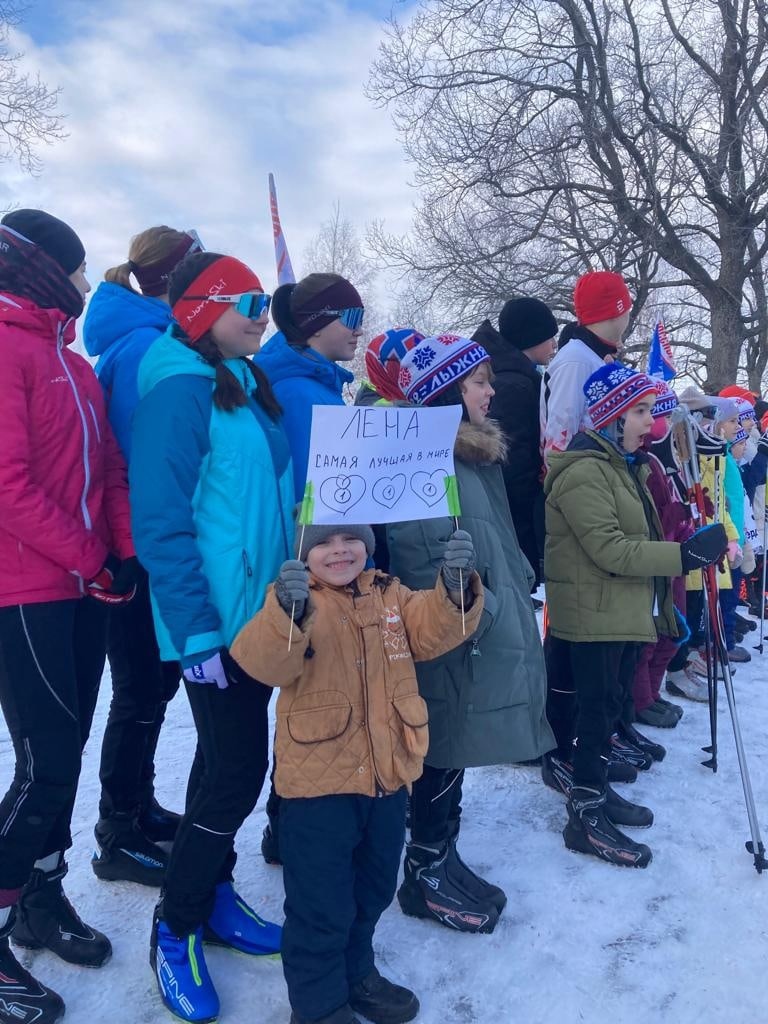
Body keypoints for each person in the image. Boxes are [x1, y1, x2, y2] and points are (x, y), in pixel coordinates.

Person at [129, 251, 294, 1023]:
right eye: (249, 302)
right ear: (202, 309)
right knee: (236, 772)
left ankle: (216, 894)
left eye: (264, 301)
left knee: (222, 766)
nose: (263, 315)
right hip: (217, 624)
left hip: (260, 618)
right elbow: (161, 525)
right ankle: (176, 924)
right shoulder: (178, 391)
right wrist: (195, 633)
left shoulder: (239, 382)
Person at [230, 524, 483, 1024]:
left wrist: (454, 588)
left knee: (373, 889)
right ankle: (318, 1007)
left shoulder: (391, 594)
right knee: (320, 904)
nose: (338, 551)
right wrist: (287, 611)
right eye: (323, 542)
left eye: (350, 539)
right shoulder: (294, 600)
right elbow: (264, 664)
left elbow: (434, 628)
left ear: (367, 546)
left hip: (387, 778)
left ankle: (357, 973)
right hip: (318, 789)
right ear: (304, 551)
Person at [0, 209, 137, 1021]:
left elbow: (110, 469)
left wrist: (121, 553)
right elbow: (7, 486)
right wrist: (90, 557)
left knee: (64, 754)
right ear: (41, 266)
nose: (87, 281)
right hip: (24, 590)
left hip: (82, 587)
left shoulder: (74, 362)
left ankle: (39, 899)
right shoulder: (5, 349)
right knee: (45, 763)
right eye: (78, 266)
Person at [386, 334, 554, 933]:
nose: (491, 392)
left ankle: (441, 854)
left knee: (455, 745)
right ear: (445, 395)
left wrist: (516, 582)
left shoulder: (470, 455)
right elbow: (422, 556)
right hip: (453, 631)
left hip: (476, 622)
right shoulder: (427, 462)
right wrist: (481, 609)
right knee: (443, 743)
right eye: (479, 382)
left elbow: (494, 538)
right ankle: (424, 871)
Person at [544, 363, 727, 867]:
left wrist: (687, 539)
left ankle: (597, 791)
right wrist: (682, 557)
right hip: (593, 614)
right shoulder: (584, 471)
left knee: (610, 708)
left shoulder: (624, 466)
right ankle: (585, 814)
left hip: (620, 609)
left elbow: (645, 534)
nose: (652, 422)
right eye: (641, 411)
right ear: (611, 416)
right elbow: (611, 549)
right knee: (596, 712)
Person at [84, 227, 204, 885]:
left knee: (156, 686)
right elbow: (141, 460)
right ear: (172, 279)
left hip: (149, 543)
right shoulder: (141, 348)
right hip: (135, 549)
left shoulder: (149, 339)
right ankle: (117, 832)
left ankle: (139, 805)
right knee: (138, 690)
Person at [473, 297, 558, 589]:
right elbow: (514, 458)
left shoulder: (512, 375)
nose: (554, 344)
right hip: (515, 514)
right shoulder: (515, 384)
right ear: (531, 337)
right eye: (549, 337)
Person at [256, 273, 364, 499]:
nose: (359, 330)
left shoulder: (321, 387)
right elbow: (305, 490)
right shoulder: (296, 394)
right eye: (352, 317)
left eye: (360, 319)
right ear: (316, 322)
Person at [540, 270, 632, 464]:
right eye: (627, 309)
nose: (628, 316)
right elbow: (560, 438)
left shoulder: (591, 357)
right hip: (580, 479)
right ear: (616, 312)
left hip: (596, 474)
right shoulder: (576, 360)